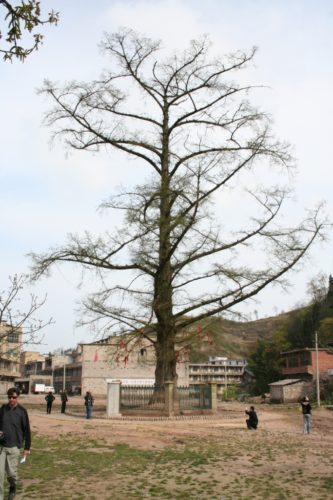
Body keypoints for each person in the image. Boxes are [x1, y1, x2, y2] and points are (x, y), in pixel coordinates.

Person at [0, 387, 31, 499]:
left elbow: (27, 431)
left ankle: (13, 487)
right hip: (2, 447)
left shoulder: (22, 412)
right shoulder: (3, 409)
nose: (11, 399)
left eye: (14, 397)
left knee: (12, 475)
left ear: (17, 397)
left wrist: (27, 448)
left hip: (14, 447)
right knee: (0, 475)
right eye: (9, 397)